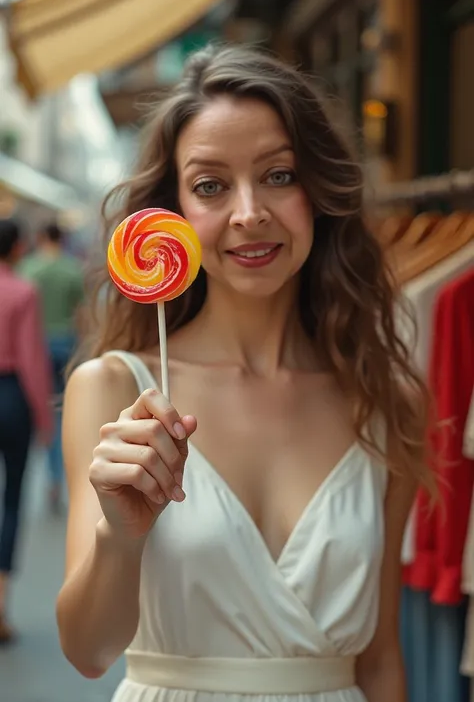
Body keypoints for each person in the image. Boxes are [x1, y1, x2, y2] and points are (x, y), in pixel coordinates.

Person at [56, 44, 435, 702]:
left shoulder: (389, 399)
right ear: (170, 210)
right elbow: (88, 651)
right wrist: (119, 533)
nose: (249, 211)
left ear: (318, 188)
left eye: (280, 175)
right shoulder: (114, 389)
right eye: (210, 185)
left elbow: (377, 660)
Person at [0, 218, 52, 642]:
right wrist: (45, 419)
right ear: (18, 248)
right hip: (11, 397)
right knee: (12, 500)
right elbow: (32, 360)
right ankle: (0, 607)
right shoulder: (23, 291)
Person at [21, 222, 84, 511]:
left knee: (34, 412)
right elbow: (81, 313)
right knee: (60, 413)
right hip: (65, 346)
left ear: (42, 237)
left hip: (32, 347)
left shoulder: (29, 269)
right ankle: (56, 478)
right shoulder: (72, 269)